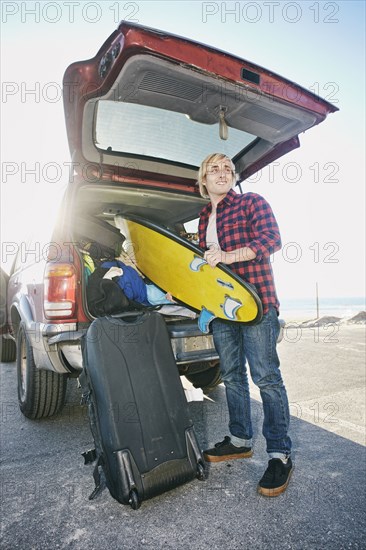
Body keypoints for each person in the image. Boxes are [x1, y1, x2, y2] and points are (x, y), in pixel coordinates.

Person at [197, 152, 292, 497]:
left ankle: (280, 453)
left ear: (234, 177)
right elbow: (202, 267)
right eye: (214, 169)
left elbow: (270, 241)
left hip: (257, 305)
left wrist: (227, 256)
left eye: (227, 169)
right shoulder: (204, 215)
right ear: (203, 180)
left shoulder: (252, 202)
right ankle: (239, 439)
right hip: (223, 311)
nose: (222, 173)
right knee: (232, 376)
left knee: (266, 377)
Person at [101, 259, 175, 306]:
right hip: (147, 292)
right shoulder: (113, 267)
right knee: (168, 296)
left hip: (145, 290)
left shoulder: (116, 287)